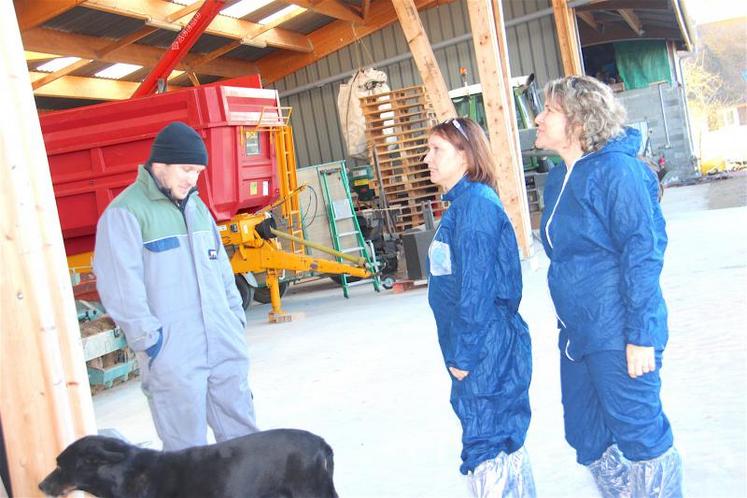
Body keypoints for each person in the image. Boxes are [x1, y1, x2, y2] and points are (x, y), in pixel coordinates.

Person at [535, 76, 682, 497]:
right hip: (578, 334)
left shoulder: (618, 171)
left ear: (579, 121)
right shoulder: (558, 178)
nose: (539, 118)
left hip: (618, 331)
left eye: (549, 110)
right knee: (586, 436)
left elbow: (644, 252)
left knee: (641, 438)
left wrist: (641, 336)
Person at [94, 122, 259, 451]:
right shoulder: (125, 214)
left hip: (223, 344)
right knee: (186, 454)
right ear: (160, 164)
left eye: (197, 171)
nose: (192, 179)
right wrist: (151, 343)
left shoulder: (199, 210)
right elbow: (121, 290)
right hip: (172, 352)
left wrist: (234, 320)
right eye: (186, 170)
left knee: (246, 443)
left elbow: (223, 273)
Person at [424, 117, 535, 497]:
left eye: (436, 150)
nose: (427, 158)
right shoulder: (463, 205)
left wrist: (466, 354)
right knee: (497, 441)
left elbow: (476, 288)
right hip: (479, 343)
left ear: (466, 155)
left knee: (486, 441)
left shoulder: (475, 209)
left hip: (485, 347)